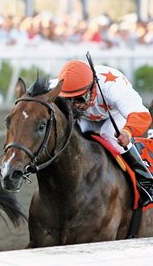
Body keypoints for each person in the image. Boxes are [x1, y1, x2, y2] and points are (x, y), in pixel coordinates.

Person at [57, 60, 153, 204]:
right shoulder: (56, 87)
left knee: (109, 134)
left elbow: (142, 114)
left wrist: (128, 132)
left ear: (92, 87)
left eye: (79, 98)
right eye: (69, 100)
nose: (75, 104)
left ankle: (147, 182)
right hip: (86, 117)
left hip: (115, 115)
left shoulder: (113, 88)